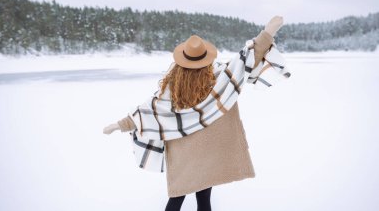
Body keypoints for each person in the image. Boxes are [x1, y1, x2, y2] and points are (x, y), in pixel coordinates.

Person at [103, 16, 285, 211]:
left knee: (176, 199)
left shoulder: (171, 90)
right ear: (207, 60)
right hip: (208, 154)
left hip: (183, 157)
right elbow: (248, 57)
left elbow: (148, 112)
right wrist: (267, 33)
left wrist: (120, 125)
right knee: (204, 200)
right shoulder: (219, 81)